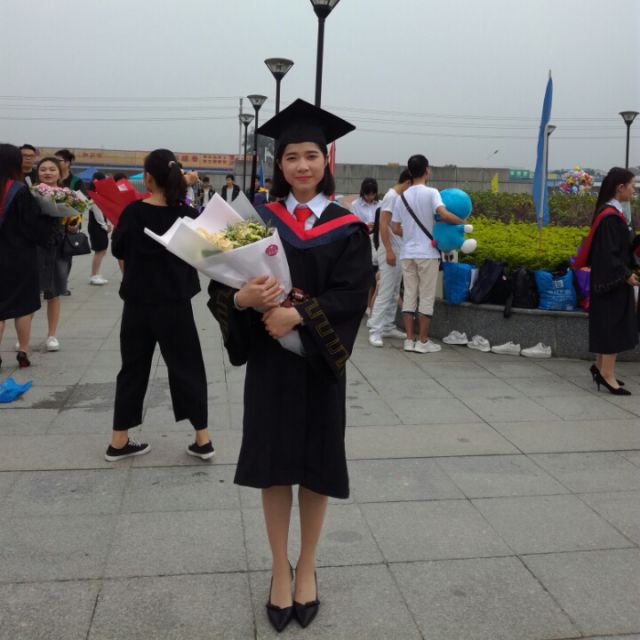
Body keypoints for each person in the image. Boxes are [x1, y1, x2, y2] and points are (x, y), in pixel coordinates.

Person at [207, 99, 371, 632]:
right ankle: (280, 568)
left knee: (317, 465)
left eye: (311, 156)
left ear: (327, 161)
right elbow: (221, 286)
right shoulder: (258, 220)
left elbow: (354, 294)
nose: (302, 165)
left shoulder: (348, 227)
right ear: (279, 164)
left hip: (319, 365)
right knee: (274, 466)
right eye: (292, 157)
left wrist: (297, 315)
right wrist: (244, 301)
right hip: (271, 366)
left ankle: (309, 565)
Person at [105, 148, 212, 462]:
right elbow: (204, 254)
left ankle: (118, 441)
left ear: (148, 178)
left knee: (132, 369)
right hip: (175, 304)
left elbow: (118, 249)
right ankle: (202, 439)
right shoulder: (188, 215)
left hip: (137, 304)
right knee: (188, 367)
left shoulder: (133, 212)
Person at [391, 154, 466, 353]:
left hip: (407, 254)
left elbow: (395, 227)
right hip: (427, 253)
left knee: (409, 295)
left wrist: (410, 235)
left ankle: (409, 340)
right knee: (426, 297)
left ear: (410, 172)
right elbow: (444, 214)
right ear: (426, 171)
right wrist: (463, 223)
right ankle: (423, 341)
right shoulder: (432, 193)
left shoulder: (401, 197)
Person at [0, 144, 53, 368]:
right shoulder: (20, 191)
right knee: (23, 306)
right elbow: (34, 229)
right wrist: (50, 217)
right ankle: (23, 351)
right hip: (19, 257)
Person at [587, 167, 637, 395]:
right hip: (612, 281)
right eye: (632, 185)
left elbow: (621, 246)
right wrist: (626, 275)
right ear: (620, 187)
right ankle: (607, 374)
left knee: (606, 323)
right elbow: (609, 254)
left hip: (607, 280)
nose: (634, 190)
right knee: (612, 325)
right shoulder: (610, 217)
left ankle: (600, 368)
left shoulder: (611, 213)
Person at [35, 156, 82, 352]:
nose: (47, 172)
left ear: (60, 173)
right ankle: (23, 334)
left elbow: (76, 218)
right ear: (38, 172)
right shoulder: (30, 193)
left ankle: (52, 335)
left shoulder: (68, 194)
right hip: (35, 245)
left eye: (52, 169)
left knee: (54, 292)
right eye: (43, 169)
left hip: (58, 245)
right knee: (30, 291)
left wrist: (74, 225)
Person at [367, 169, 412, 347]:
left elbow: (394, 227)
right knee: (386, 290)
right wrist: (389, 250)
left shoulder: (397, 197)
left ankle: (387, 326)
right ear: (408, 183)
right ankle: (375, 330)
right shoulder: (391, 197)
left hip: (398, 249)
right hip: (390, 250)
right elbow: (383, 224)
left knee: (393, 291)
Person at [350, 178, 380, 313]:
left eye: (373, 194)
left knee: (374, 275)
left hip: (377, 242)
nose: (370, 197)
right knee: (362, 274)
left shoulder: (380, 204)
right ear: (363, 192)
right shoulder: (355, 205)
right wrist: (365, 225)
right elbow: (352, 225)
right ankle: (362, 304)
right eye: (368, 194)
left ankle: (370, 305)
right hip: (362, 241)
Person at [87, 172, 113, 285]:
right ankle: (94, 275)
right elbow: (98, 214)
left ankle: (96, 274)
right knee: (100, 251)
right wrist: (105, 226)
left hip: (97, 227)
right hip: (97, 227)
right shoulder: (95, 196)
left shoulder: (94, 194)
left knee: (101, 251)